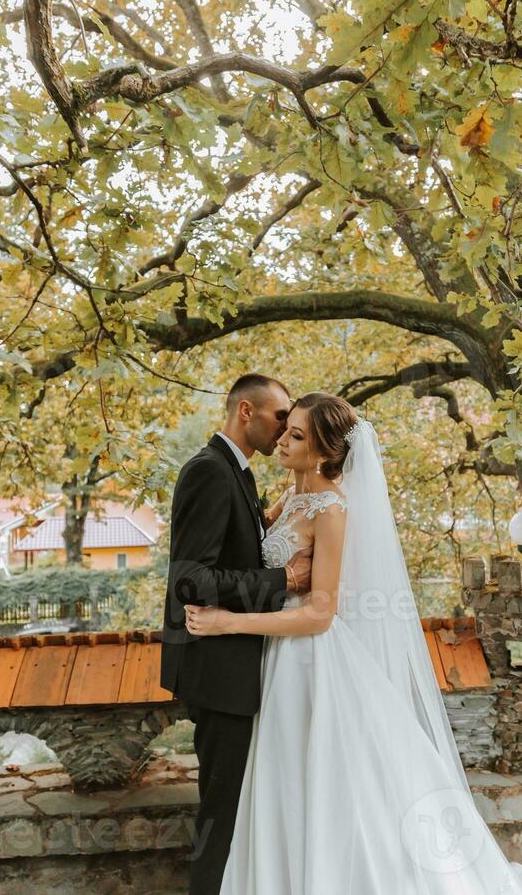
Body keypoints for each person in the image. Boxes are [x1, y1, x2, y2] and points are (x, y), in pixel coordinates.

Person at [185, 392, 522, 894]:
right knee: (285, 787)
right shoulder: (291, 497)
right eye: (286, 429)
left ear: (326, 452)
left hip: (308, 661)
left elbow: (319, 614)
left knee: (325, 784)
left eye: (297, 436)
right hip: (274, 659)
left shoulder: (331, 508)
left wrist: (227, 623)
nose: (283, 440)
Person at [161, 373, 313, 895]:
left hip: (236, 665)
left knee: (239, 803)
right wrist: (284, 580)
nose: (284, 427)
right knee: (222, 809)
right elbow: (190, 580)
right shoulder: (209, 471)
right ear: (245, 412)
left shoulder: (238, 472)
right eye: (279, 416)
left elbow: (232, 549)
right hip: (217, 668)